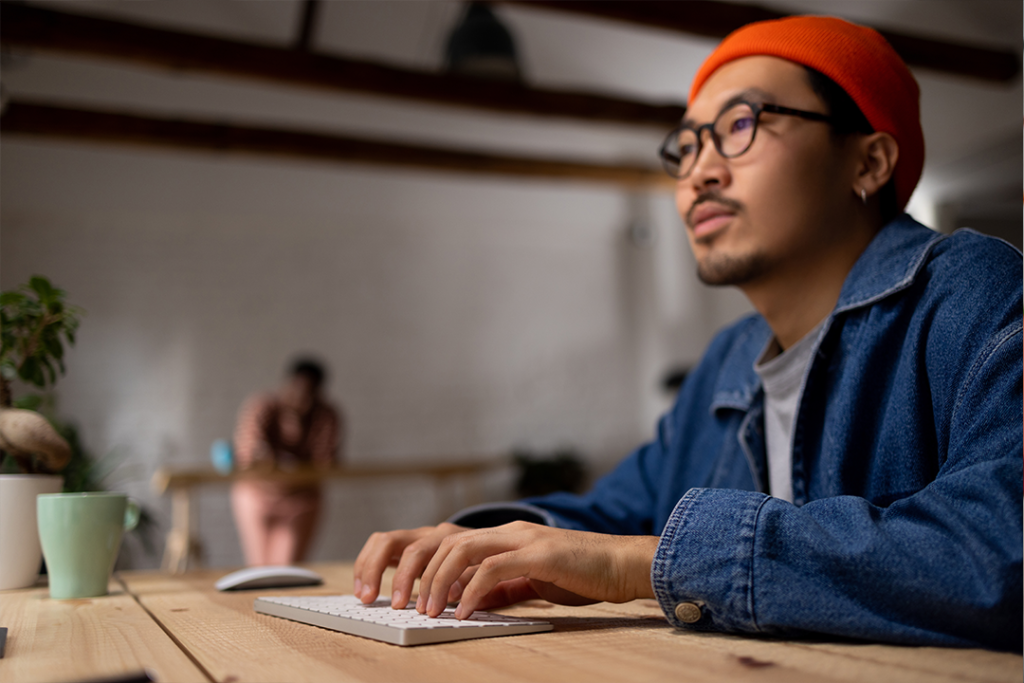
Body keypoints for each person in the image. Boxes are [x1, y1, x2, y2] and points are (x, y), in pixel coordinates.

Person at [352, 16, 1022, 650]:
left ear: (869, 163)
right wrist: (477, 544)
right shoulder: (730, 357)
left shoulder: (976, 294)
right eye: (689, 143)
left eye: (740, 124)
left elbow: (999, 550)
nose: (699, 170)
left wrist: (645, 562)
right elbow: (620, 511)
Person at [231, 357, 343, 566]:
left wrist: (278, 463)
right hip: (256, 495)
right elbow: (250, 452)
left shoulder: (326, 415)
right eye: (298, 388)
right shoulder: (262, 406)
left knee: (288, 567)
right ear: (288, 383)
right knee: (258, 566)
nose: (302, 398)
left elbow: (326, 462)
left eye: (310, 392)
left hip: (302, 499)